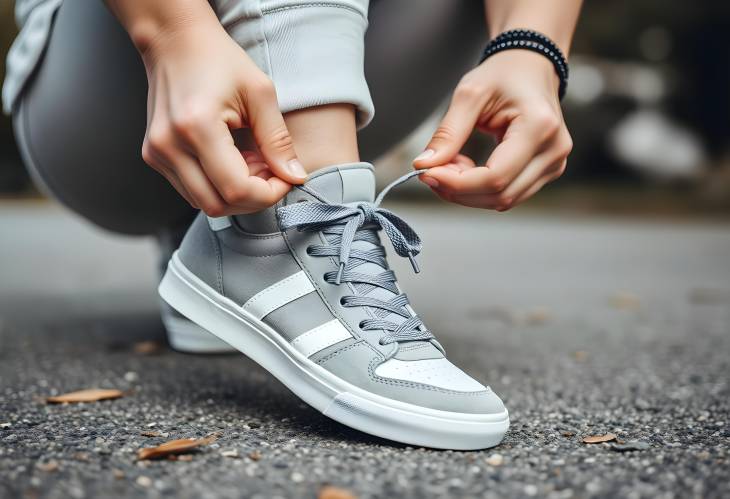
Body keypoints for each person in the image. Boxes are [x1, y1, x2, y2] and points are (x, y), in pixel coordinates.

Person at [4, 0, 581, 449]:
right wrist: (172, 32)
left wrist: (531, 48)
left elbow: (529, 39)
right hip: (99, 103)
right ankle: (282, 224)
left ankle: (222, 237)